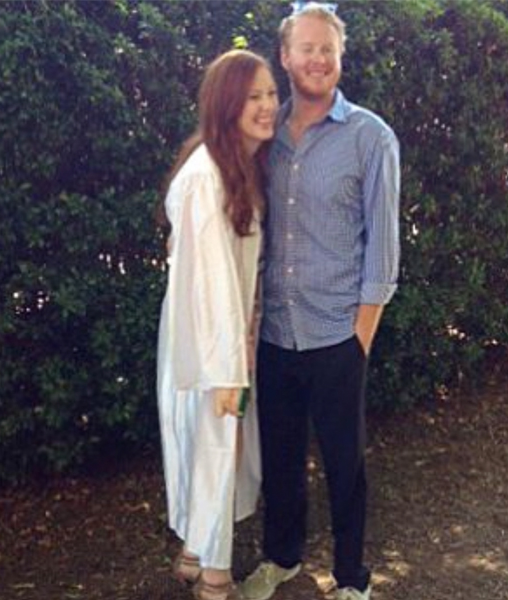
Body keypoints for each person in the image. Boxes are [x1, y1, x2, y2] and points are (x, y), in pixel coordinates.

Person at [239, 4, 401, 600]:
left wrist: (360, 337)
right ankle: (281, 559)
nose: (317, 60)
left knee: (345, 468)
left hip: (338, 336)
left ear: (340, 58)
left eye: (327, 50)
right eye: (305, 48)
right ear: (285, 56)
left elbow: (382, 248)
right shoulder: (263, 134)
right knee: (280, 462)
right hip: (276, 335)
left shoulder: (370, 137)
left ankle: (352, 581)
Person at [156, 49, 279, 600]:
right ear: (226, 104)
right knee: (214, 453)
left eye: (271, 93)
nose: (267, 105)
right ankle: (214, 579)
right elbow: (209, 286)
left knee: (210, 452)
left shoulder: (234, 167)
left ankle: (193, 556)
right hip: (211, 347)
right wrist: (229, 367)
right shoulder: (209, 177)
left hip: (222, 342)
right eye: (253, 96)